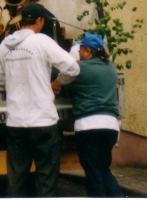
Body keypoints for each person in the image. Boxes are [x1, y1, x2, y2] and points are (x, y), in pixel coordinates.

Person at [0, 3, 80, 197]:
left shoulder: (4, 46)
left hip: (16, 123)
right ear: (40, 20)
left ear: (21, 21)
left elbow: (0, 81)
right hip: (43, 121)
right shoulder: (42, 41)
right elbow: (73, 68)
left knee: (16, 180)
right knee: (46, 180)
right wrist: (57, 82)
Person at [52, 33, 123, 198]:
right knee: (103, 169)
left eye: (80, 49)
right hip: (111, 126)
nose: (78, 53)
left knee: (93, 173)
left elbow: (58, 72)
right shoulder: (111, 68)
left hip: (88, 126)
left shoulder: (80, 69)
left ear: (88, 51)